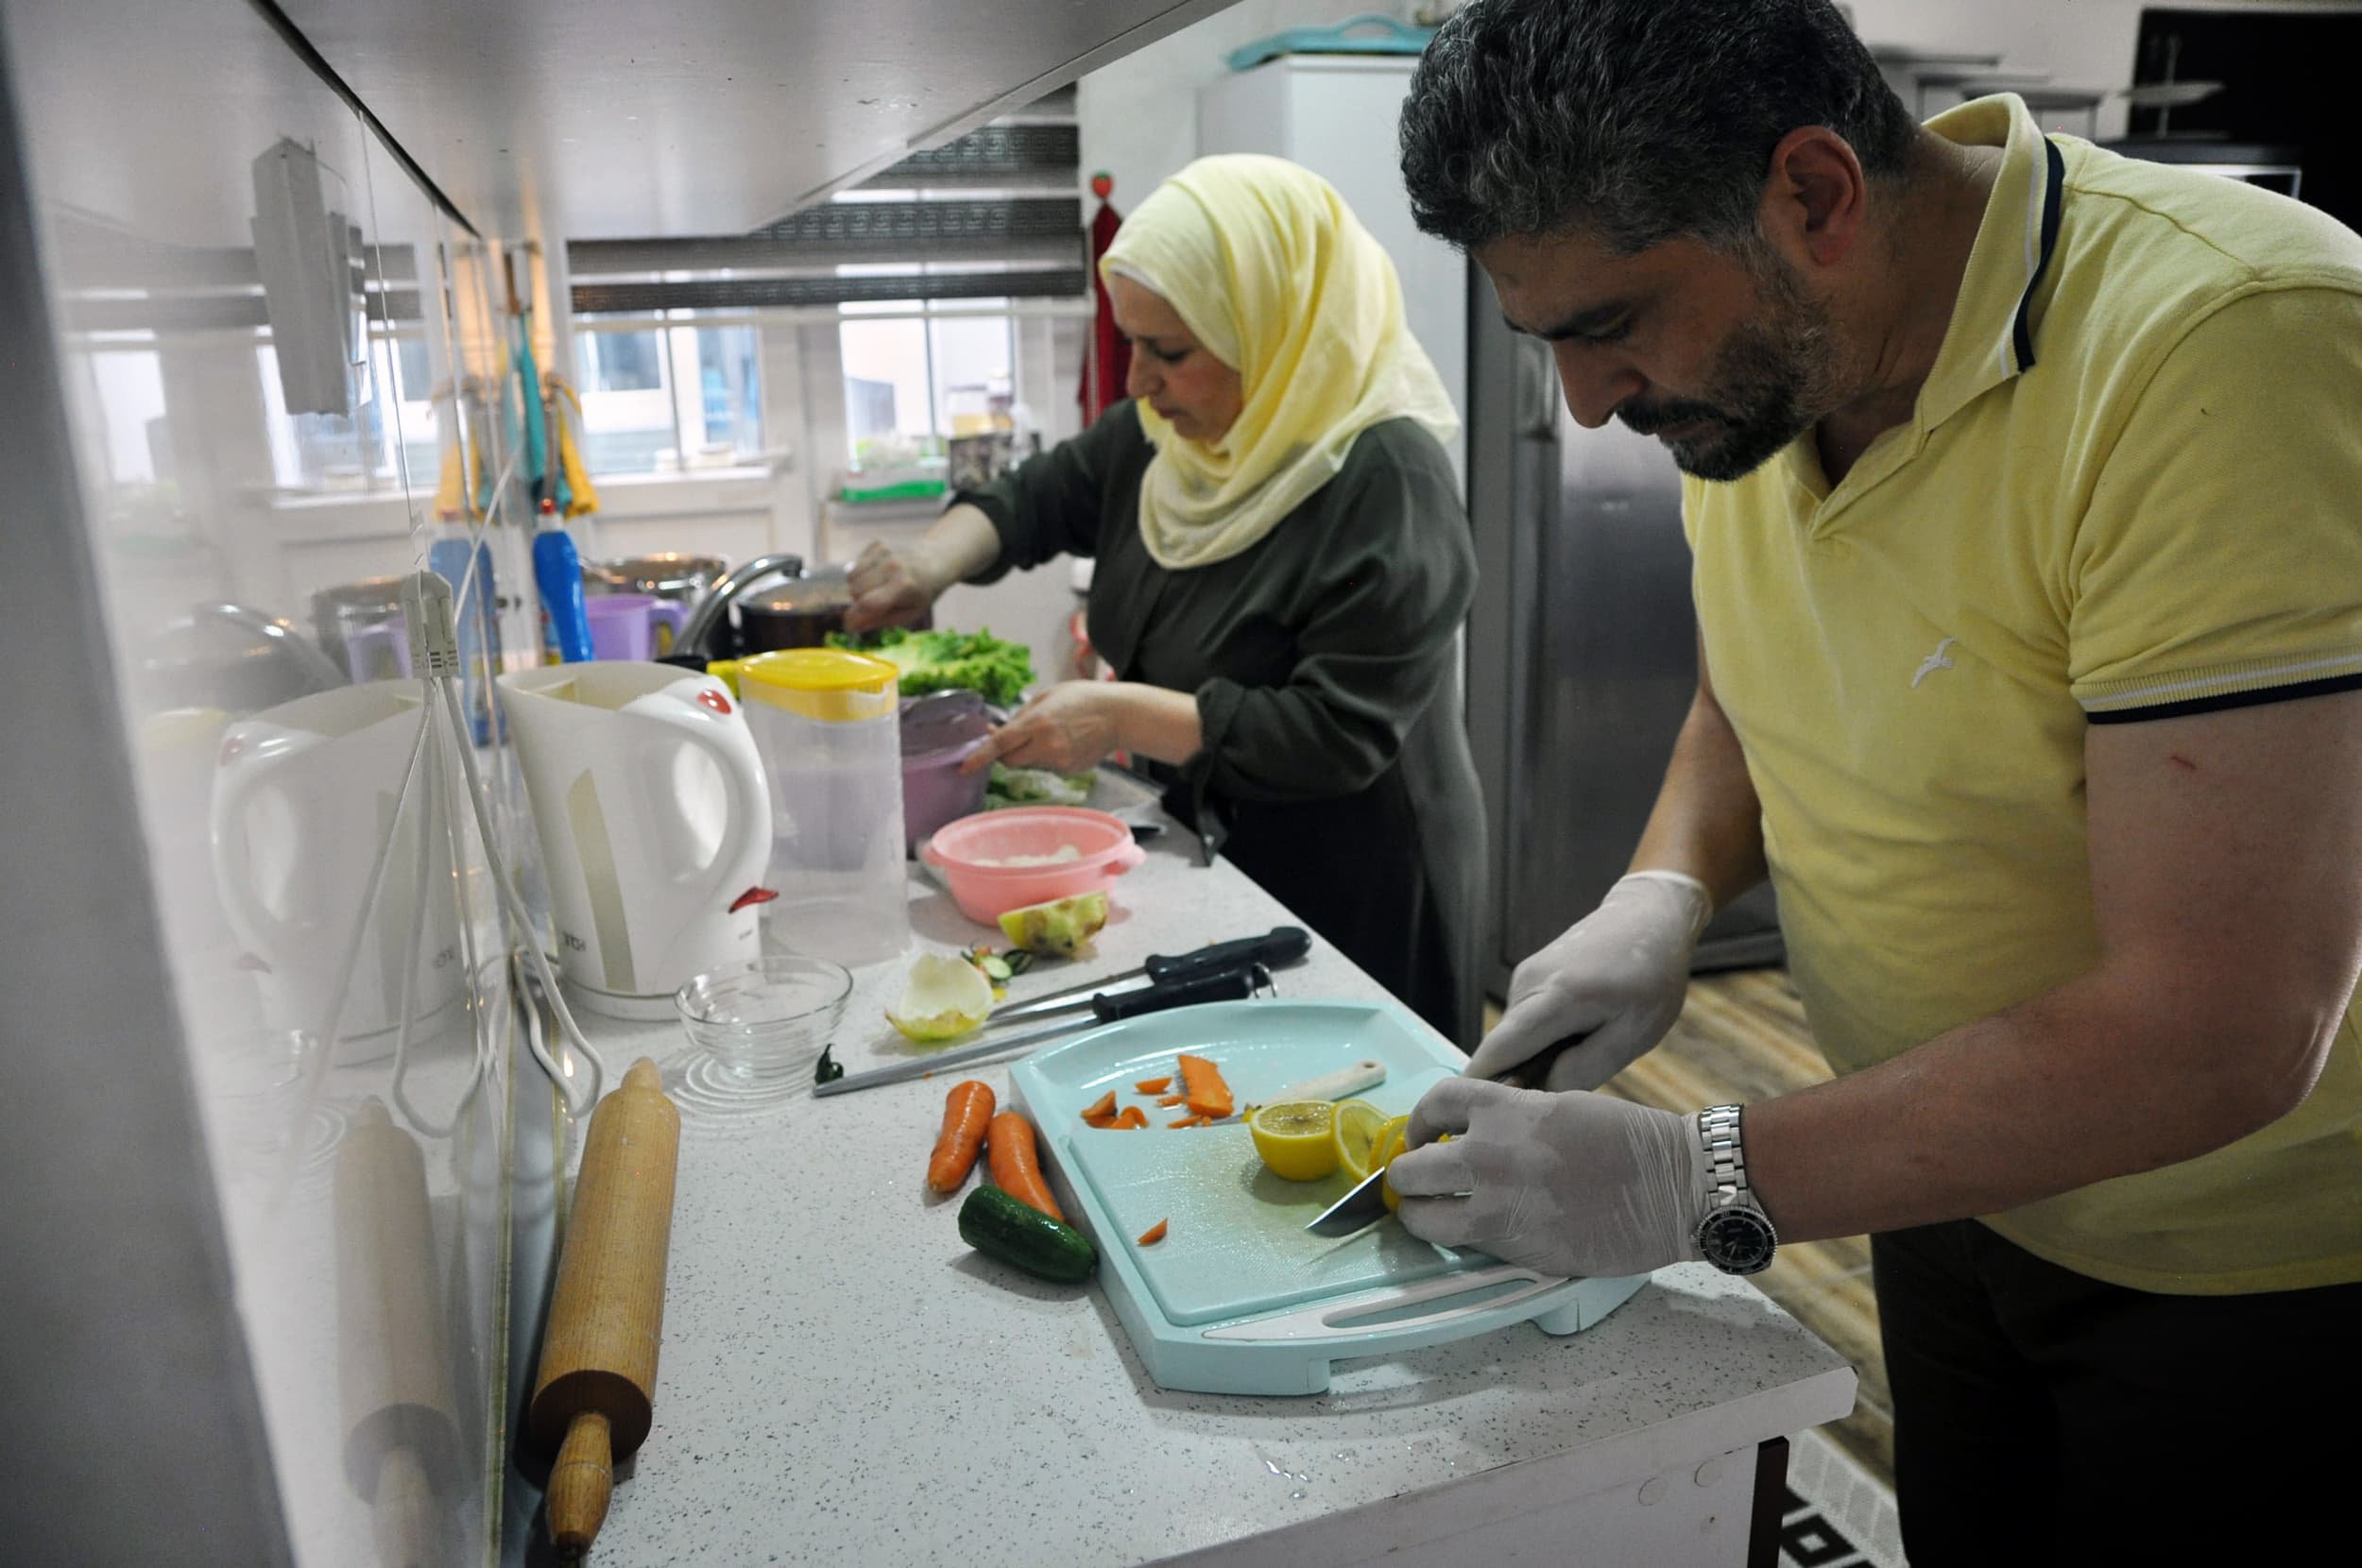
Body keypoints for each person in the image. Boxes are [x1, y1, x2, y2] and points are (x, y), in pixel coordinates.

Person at [1385, 1, 2362, 1559]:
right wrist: (1666, 891)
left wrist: (1701, 1172)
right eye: (1544, 340)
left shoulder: (2225, 345)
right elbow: (1748, 690)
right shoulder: (1780, 368)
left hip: (2233, 1265)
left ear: (1816, 194)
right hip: (1938, 1178)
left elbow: (2227, 1025)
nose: (1585, 402)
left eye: (1611, 323)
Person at [845, 155, 1486, 1046]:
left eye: (1170, 351)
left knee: (1371, 1130)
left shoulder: (1387, 477)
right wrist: (925, 567)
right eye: (1131, 343)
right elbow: (1036, 498)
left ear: (1273, 329)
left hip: (1357, 877)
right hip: (1218, 846)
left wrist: (1116, 716)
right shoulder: (1166, 437)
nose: (1138, 380)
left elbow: (1334, 737)